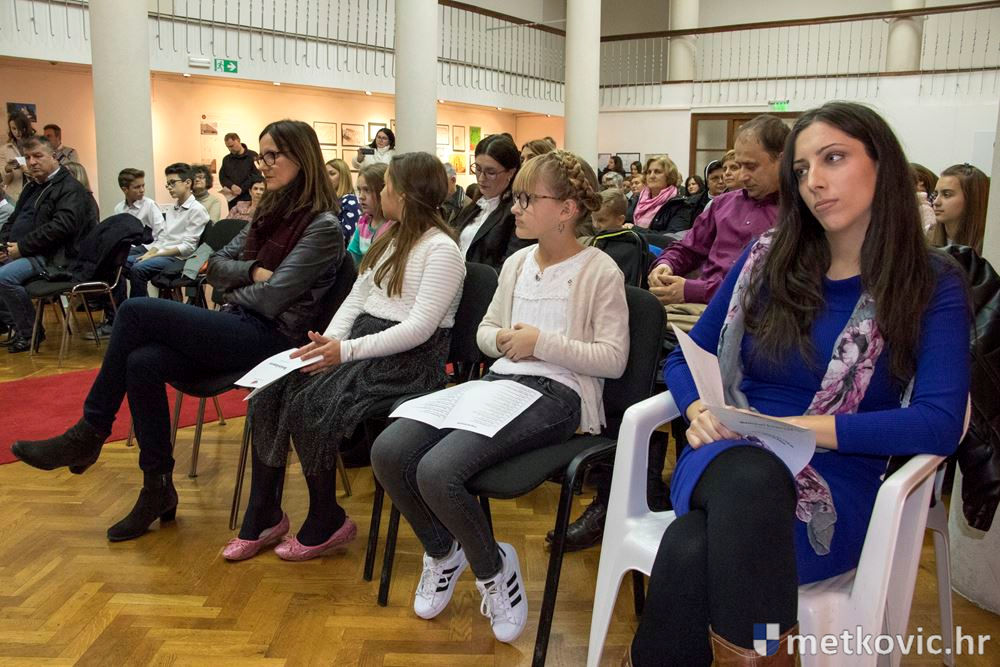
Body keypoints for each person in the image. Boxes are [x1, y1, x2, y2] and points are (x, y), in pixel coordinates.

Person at [626, 101, 970, 667]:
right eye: (802, 169)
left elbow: (938, 423)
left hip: (838, 483)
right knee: (749, 476)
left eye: (833, 158)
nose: (814, 182)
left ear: (882, 164)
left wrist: (795, 429)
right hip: (724, 451)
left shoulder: (931, 281)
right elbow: (687, 360)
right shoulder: (767, 260)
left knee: (690, 547)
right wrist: (698, 412)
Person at [11, 119, 347, 542]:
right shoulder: (268, 214)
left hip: (274, 340)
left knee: (134, 311)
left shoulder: (321, 226)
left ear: (303, 158)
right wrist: (250, 272)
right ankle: (157, 489)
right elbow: (208, 264)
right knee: (142, 361)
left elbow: (271, 299)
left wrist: (235, 284)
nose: (263, 165)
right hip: (240, 324)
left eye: (272, 156)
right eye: (261, 155)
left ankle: (91, 431)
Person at [371, 149, 628, 644]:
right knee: (389, 450)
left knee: (438, 470)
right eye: (517, 198)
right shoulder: (516, 264)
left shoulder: (600, 271)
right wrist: (505, 340)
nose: (516, 208)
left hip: (559, 394)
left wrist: (540, 343)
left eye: (528, 199)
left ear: (567, 209)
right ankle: (443, 551)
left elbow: (613, 359)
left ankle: (494, 569)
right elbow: (486, 331)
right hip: (502, 383)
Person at [224, 151, 465, 563]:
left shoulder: (441, 250)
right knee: (270, 390)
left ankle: (326, 517)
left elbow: (419, 329)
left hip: (408, 361)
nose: (381, 192)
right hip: (365, 346)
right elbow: (356, 299)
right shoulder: (390, 237)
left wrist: (345, 351)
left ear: (405, 194)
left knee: (312, 400)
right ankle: (263, 512)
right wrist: (329, 343)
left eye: (387, 186)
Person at [648, 115, 788, 310]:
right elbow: (688, 247)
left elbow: (768, 287)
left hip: (752, 313)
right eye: (739, 166)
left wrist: (693, 290)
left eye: (751, 166)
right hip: (697, 305)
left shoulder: (796, 214)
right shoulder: (723, 204)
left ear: (782, 160)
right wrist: (666, 264)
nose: (742, 176)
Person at [0, 136, 97, 352]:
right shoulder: (32, 187)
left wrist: (22, 247)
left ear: (53, 157)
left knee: (4, 277)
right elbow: (13, 220)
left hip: (53, 257)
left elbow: (61, 227)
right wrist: (4, 245)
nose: (32, 162)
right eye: (27, 157)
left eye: (38, 156)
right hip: (25, 251)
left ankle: (29, 332)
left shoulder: (70, 188)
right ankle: (13, 324)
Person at [124, 163, 210, 300]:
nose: (169, 187)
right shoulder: (172, 208)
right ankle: (141, 304)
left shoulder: (197, 210)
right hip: (164, 252)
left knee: (138, 269)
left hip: (180, 258)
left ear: (188, 183)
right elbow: (163, 237)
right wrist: (151, 252)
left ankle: (139, 308)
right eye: (168, 184)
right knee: (122, 262)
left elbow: (188, 247)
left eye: (172, 183)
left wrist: (155, 254)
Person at [450, 134, 531, 272]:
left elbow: (511, 267)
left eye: (491, 172)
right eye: (478, 169)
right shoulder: (474, 207)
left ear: (511, 173)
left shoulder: (517, 212)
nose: (481, 178)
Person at [627, 155, 697, 234]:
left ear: (669, 176)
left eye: (657, 172)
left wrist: (634, 229)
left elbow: (672, 237)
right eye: (649, 172)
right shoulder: (636, 200)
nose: (651, 176)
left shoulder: (680, 205)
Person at [931, 163, 990, 254]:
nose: (936, 202)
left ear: (972, 199)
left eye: (946, 194)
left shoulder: (990, 248)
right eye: (935, 194)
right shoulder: (927, 239)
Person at [347, 163, 392, 265]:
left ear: (383, 191)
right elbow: (352, 256)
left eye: (367, 190)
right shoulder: (364, 221)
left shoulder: (392, 224)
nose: (361, 196)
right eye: (359, 190)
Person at [113, 168, 165, 242]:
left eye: (143, 186)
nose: (142, 190)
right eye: (137, 187)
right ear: (125, 189)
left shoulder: (150, 205)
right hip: (127, 246)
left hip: (148, 246)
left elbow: (162, 234)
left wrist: (153, 249)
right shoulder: (118, 209)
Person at [219, 132, 261, 204]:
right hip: (232, 199)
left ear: (238, 140)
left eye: (232, 146)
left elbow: (257, 175)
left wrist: (242, 188)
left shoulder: (253, 155)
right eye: (228, 147)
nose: (230, 149)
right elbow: (222, 177)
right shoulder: (226, 159)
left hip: (249, 198)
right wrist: (231, 186)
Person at [325, 158, 360, 241]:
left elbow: (348, 234)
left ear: (343, 177)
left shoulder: (350, 200)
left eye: (332, 174)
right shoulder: (326, 201)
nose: (326, 178)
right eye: (325, 174)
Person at [2, 112, 34, 200]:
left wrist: (27, 170)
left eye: (20, 128)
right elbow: (5, 181)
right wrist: (7, 169)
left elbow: (44, 173)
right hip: (13, 197)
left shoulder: (36, 146)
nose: (17, 132)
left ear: (26, 127)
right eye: (13, 128)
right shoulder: (5, 149)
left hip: (34, 193)